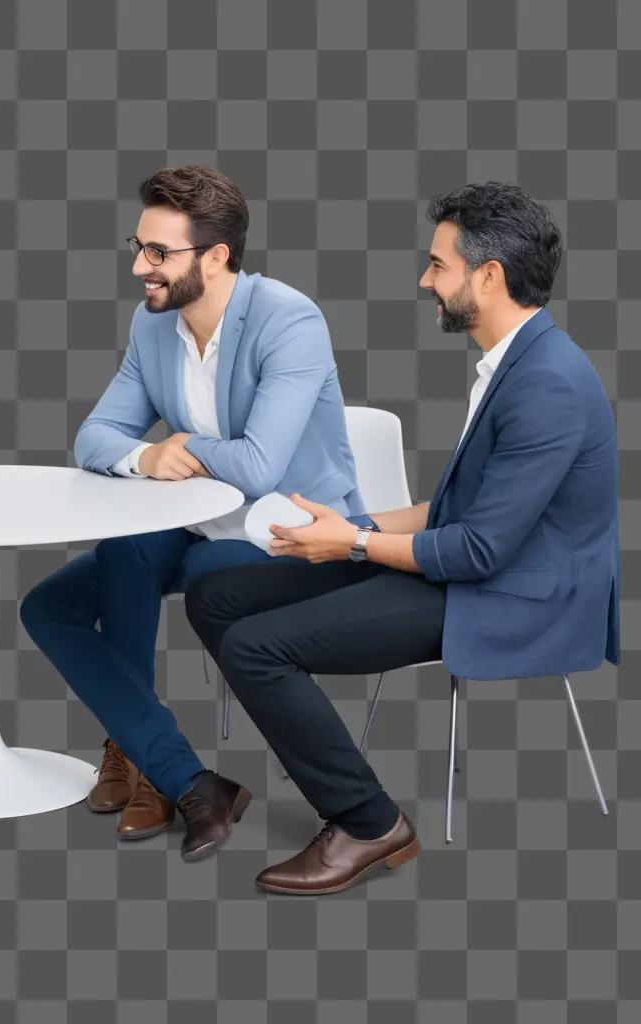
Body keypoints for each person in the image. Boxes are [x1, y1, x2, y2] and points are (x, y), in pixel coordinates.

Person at [185, 181, 620, 895]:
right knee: (217, 590)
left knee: (254, 648)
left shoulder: (547, 384)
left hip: (512, 594)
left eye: (438, 265)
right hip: (468, 565)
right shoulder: (512, 363)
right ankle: (326, 761)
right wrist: (345, 526)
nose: (425, 279)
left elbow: (478, 549)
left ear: (488, 276)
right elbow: (454, 506)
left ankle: (368, 823)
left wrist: (349, 547)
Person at [19, 165, 368, 861]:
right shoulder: (153, 328)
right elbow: (93, 438)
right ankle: (185, 780)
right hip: (195, 521)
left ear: (216, 257)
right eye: (138, 246)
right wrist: (144, 460)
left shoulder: (287, 319)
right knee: (53, 602)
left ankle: (140, 764)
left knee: (200, 569)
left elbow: (262, 464)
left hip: (293, 532)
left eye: (159, 253)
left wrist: (182, 444)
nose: (139, 267)